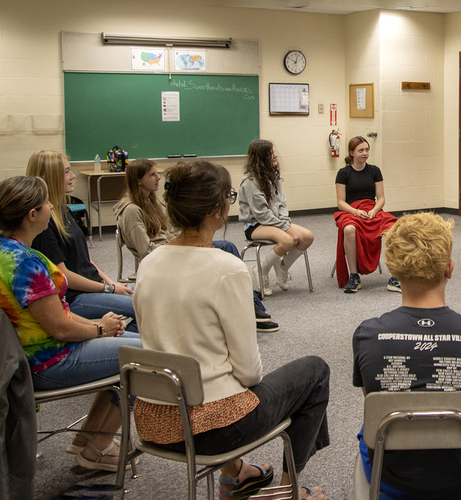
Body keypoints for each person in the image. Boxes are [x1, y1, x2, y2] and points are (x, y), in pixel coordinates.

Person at [132, 161, 330, 500]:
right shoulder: (227, 269)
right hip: (214, 431)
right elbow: (250, 373)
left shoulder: (149, 263)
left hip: (155, 422)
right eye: (229, 197)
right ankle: (289, 490)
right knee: (315, 372)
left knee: (217, 375)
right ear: (216, 211)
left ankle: (236, 474)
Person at [0, 175, 141, 471]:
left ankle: (89, 439)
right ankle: (95, 449)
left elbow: (55, 314)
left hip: (24, 355)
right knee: (145, 356)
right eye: (47, 203)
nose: (52, 206)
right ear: (32, 215)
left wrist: (101, 328)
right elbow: (60, 328)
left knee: (135, 344)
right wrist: (100, 329)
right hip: (47, 361)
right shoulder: (26, 263)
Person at [352, 212, 461, 499]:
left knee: (371, 424)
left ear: (393, 270)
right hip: (460, 474)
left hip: (390, 473)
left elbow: (373, 397)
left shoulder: (367, 335)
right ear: (450, 268)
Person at [113, 159, 278, 333]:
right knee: (225, 252)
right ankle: (249, 306)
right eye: (152, 175)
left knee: (226, 246)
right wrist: (178, 243)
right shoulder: (132, 210)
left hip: (172, 247)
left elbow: (170, 230)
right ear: (138, 180)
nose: (157, 178)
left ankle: (251, 305)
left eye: (157, 174)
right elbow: (146, 251)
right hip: (167, 253)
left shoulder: (152, 202)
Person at [25, 150, 137, 330]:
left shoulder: (64, 209)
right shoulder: (44, 224)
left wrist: (110, 283)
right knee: (140, 306)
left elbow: (86, 260)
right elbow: (63, 275)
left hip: (93, 288)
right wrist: (108, 289)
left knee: (144, 299)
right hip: (75, 297)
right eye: (66, 171)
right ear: (50, 177)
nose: (72, 175)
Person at [238, 139, 315, 296]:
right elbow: (261, 214)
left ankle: (282, 269)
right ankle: (260, 271)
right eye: (271, 153)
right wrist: (284, 227)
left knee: (307, 237)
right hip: (256, 225)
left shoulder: (273, 176)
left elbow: (281, 203)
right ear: (260, 158)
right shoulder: (250, 181)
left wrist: (284, 222)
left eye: (274, 152)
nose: (275, 156)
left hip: (275, 222)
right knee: (288, 240)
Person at [334, 136, 400, 293]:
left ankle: (395, 278)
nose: (365, 153)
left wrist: (374, 211)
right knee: (349, 229)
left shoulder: (374, 171)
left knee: (396, 229)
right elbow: (340, 203)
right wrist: (356, 212)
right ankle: (354, 277)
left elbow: (381, 198)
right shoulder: (343, 173)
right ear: (352, 153)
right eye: (360, 150)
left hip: (372, 209)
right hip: (351, 211)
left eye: (367, 150)